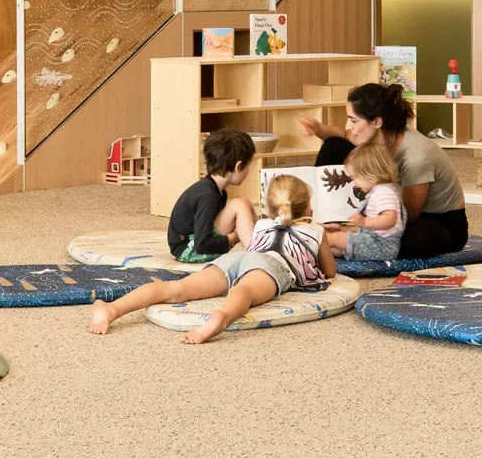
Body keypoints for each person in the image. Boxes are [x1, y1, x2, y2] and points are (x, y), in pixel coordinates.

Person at [91, 172, 335, 344]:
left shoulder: (262, 224)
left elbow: (255, 243)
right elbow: (330, 271)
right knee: (245, 292)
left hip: (239, 258)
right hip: (270, 267)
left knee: (177, 288)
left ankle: (112, 309)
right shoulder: (315, 230)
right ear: (308, 209)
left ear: (270, 210)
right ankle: (223, 316)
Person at [296, 82, 469, 259]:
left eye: (354, 120)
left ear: (377, 122)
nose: (349, 126)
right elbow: (342, 135)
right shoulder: (379, 134)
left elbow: (406, 216)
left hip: (437, 221)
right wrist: (317, 129)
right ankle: (317, 217)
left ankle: (351, 241)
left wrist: (357, 226)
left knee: (414, 239)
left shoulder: (416, 157)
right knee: (334, 145)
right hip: (384, 208)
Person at [166, 128, 258, 262]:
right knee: (239, 204)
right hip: (188, 250)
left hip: (195, 244)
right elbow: (202, 245)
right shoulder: (207, 197)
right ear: (238, 166)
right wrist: (235, 236)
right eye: (248, 165)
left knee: (244, 202)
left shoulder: (217, 190)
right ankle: (256, 255)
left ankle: (261, 243)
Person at [324, 141, 405, 262]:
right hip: (375, 242)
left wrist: (363, 222)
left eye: (355, 177)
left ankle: (308, 251)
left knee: (334, 238)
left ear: (370, 173)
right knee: (335, 247)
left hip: (382, 245)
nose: (354, 183)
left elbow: (390, 219)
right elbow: (369, 226)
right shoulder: (379, 191)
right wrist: (340, 226)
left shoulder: (383, 193)